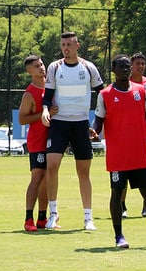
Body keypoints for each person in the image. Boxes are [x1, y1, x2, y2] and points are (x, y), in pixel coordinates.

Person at [91, 54, 146, 248]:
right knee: (116, 194)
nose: (126, 70)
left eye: (128, 67)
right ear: (113, 70)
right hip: (118, 156)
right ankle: (119, 237)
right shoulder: (105, 94)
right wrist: (94, 131)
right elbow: (98, 120)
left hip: (140, 154)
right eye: (121, 67)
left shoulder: (140, 91)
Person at [40, 32, 104, 231]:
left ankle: (88, 218)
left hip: (80, 124)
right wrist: (44, 111)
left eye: (69, 44)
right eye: (63, 45)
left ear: (78, 45)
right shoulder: (54, 67)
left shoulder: (88, 68)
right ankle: (53, 214)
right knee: (52, 166)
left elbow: (102, 94)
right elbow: (48, 95)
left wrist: (96, 124)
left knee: (83, 172)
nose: (66, 48)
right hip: (59, 124)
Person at [18, 55, 57, 232]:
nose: (41, 67)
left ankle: (43, 217)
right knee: (37, 177)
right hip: (37, 141)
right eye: (36, 66)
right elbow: (22, 119)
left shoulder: (51, 86)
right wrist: (43, 114)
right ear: (29, 71)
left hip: (53, 140)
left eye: (42, 64)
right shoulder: (30, 93)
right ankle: (28, 219)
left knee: (47, 179)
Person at [122, 51, 146, 218]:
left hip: (143, 134)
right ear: (131, 66)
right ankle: (122, 206)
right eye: (138, 63)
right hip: (125, 136)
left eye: (143, 64)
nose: (141, 67)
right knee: (123, 171)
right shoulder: (124, 83)